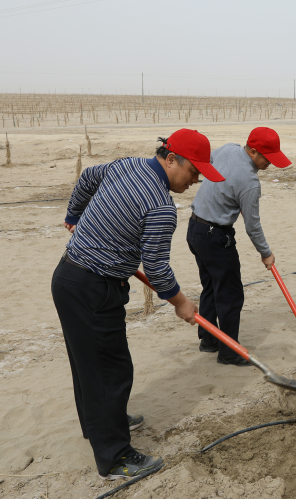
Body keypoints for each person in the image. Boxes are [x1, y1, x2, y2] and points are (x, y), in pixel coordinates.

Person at [52, 129, 222, 480]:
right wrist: (181, 303)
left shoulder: (126, 165)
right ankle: (115, 458)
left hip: (68, 279)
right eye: (194, 172)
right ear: (171, 159)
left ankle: (103, 423)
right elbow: (157, 268)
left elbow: (88, 177)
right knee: (111, 371)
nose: (196, 181)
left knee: (89, 365)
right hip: (94, 288)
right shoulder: (161, 206)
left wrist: (74, 215)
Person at [188, 127, 291, 365]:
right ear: (253, 151)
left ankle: (208, 340)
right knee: (230, 294)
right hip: (215, 236)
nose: (270, 164)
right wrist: (266, 253)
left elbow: (208, 162)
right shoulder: (250, 182)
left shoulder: (228, 149)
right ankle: (229, 352)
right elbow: (252, 226)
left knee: (211, 286)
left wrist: (220, 191)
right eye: (267, 158)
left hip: (195, 230)